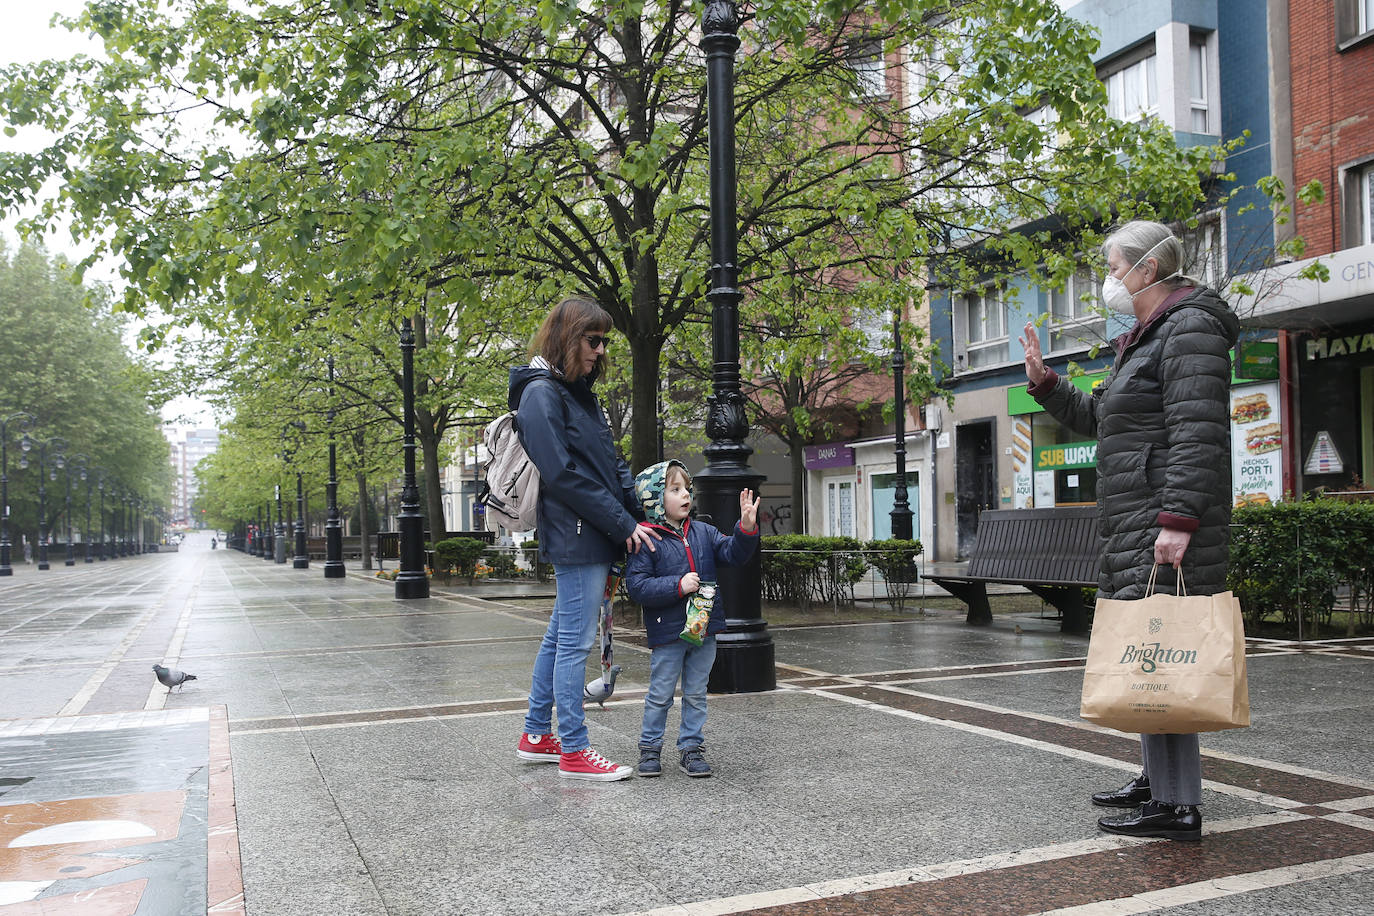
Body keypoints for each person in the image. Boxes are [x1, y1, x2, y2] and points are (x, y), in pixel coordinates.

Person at [1019, 220, 1239, 842]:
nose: (1110, 279)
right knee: (1148, 650)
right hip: (1135, 517)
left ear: (1148, 269)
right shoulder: (1144, 335)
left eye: (1115, 267)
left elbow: (1197, 434)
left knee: (1166, 653)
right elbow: (1102, 419)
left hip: (1160, 522)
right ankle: (1156, 779)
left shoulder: (1189, 329)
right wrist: (1046, 383)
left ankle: (1178, 804)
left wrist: (1178, 520)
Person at [511, 296, 659, 781]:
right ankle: (574, 750)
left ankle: (537, 734)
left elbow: (610, 464)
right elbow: (564, 474)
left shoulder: (577, 393)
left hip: (593, 530)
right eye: (592, 341)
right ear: (567, 338)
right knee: (575, 644)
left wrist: (639, 512)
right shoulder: (541, 394)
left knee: (561, 637)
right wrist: (623, 524)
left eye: (604, 342)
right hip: (578, 534)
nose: (600, 351)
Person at [624, 460, 759, 778]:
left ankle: (691, 749)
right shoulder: (647, 540)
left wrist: (746, 528)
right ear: (655, 500)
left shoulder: (704, 532)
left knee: (697, 693)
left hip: (704, 630)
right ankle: (650, 749)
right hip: (668, 633)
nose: (686, 494)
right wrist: (677, 585)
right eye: (675, 489)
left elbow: (733, 554)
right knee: (660, 694)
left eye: (687, 488)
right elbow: (638, 587)